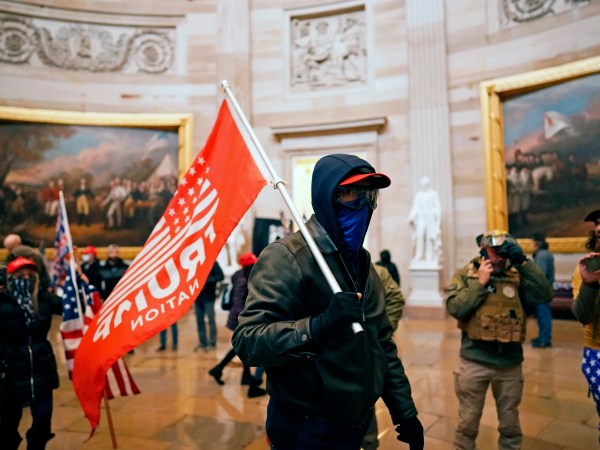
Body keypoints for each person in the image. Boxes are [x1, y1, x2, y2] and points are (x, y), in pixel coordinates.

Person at [232, 153, 424, 450]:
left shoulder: (363, 265)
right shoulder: (287, 257)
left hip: (356, 422)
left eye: (368, 195)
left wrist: (404, 411)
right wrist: (318, 326)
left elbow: (381, 344)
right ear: (326, 197)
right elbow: (248, 341)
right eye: (350, 194)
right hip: (307, 424)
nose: (362, 205)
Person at [445, 230, 553, 450]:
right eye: (495, 251)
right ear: (484, 250)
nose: (499, 257)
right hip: (475, 362)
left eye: (504, 251)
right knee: (467, 424)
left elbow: (544, 295)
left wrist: (523, 262)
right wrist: (480, 284)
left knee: (510, 426)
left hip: (509, 365)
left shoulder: (518, 275)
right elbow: (455, 308)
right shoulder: (467, 274)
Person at [0, 256, 62, 450]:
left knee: (43, 420)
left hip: (41, 367)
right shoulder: (2, 301)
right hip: (11, 371)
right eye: (20, 275)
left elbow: (71, 306)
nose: (26, 279)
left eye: (30, 275)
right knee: (8, 424)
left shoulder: (43, 298)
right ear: (10, 278)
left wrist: (82, 287)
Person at [208, 253, 266, 398]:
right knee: (242, 347)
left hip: (236, 316)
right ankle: (219, 369)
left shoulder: (239, 274)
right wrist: (247, 319)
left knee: (241, 347)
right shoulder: (244, 278)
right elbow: (240, 300)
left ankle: (242, 376)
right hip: (241, 318)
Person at [362, 263, 406, 450]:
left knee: (365, 400)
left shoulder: (373, 269)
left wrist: (381, 328)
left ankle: (370, 443)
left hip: (366, 352)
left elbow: (396, 297)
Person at [571, 209, 600, 444]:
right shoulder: (586, 268)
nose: (599, 228)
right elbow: (582, 315)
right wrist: (590, 285)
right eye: (597, 224)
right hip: (597, 352)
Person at [408, 176, 441, 263]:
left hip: (430, 218)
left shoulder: (433, 194)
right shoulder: (418, 195)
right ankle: (419, 255)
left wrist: (435, 213)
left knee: (429, 237)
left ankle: (429, 256)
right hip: (421, 219)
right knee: (420, 235)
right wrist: (412, 216)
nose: (424, 187)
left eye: (425, 185)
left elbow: (437, 207)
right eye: (422, 185)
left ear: (428, 185)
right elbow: (415, 208)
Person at [530, 232, 555, 348]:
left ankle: (544, 339)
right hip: (545, 289)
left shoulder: (541, 255)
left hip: (542, 291)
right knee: (542, 315)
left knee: (543, 315)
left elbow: (540, 274)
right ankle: (543, 337)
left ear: (536, 242)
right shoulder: (545, 253)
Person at [193, 260, 224, 352]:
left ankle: (212, 342)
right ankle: (202, 342)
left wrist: (206, 280)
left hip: (209, 297)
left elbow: (220, 276)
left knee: (210, 320)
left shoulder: (212, 262)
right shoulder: (194, 262)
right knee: (199, 321)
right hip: (197, 297)